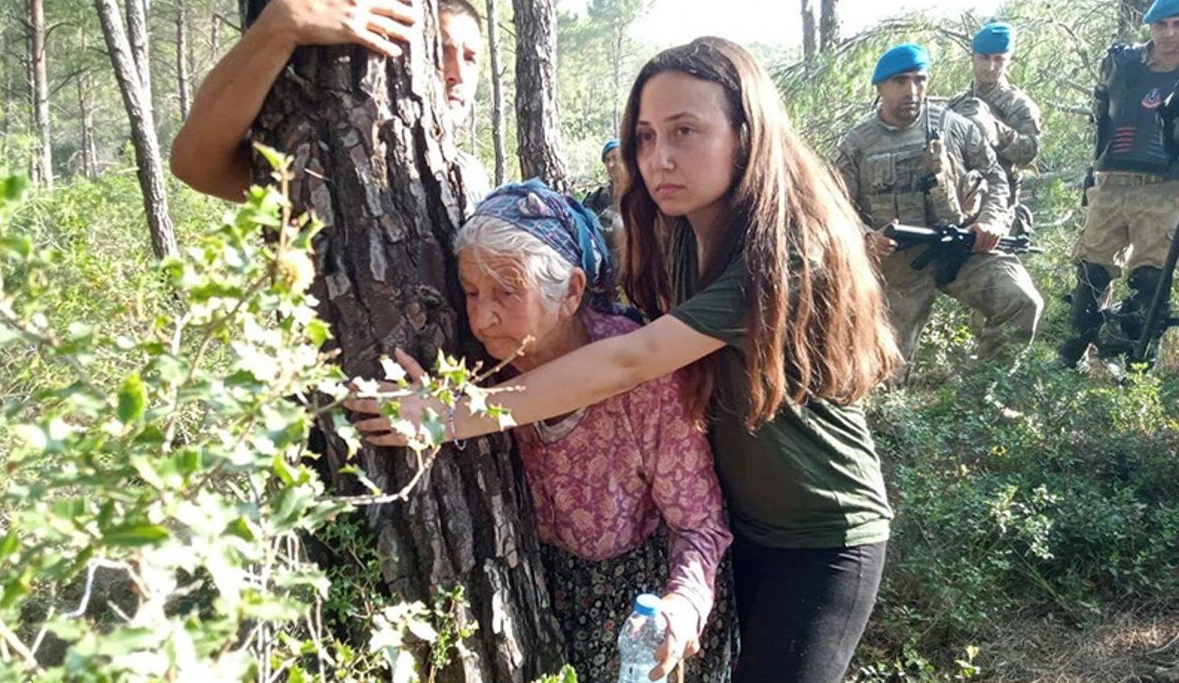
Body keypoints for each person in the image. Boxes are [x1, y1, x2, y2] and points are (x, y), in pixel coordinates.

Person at [350, 36, 902, 683]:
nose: (658, 158)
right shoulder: (681, 234)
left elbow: (630, 361)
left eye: (686, 131)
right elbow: (574, 314)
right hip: (746, 521)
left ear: (746, 135)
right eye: (644, 136)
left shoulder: (780, 252)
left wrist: (453, 414)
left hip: (823, 532)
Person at [396, 180, 736, 680]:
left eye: (507, 291)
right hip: (536, 597)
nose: (483, 318)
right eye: (471, 292)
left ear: (572, 290)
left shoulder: (642, 378)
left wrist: (681, 605)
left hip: (641, 613)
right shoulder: (481, 366)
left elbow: (698, 524)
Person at [169, 0, 490, 207]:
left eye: (471, 57)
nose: (457, 72)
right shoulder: (327, 154)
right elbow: (195, 162)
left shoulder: (473, 179)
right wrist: (280, 26)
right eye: (440, 52)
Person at [834, 43, 1043, 378]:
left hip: (963, 247)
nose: (912, 90)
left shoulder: (956, 127)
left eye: (920, 80)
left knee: (1021, 301)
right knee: (886, 368)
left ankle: (980, 403)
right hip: (899, 261)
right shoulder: (857, 144)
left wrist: (990, 221)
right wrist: (865, 238)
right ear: (880, 87)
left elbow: (995, 177)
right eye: (901, 81)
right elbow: (835, 206)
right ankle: (890, 418)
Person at [1058, 0, 1179, 368]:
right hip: (1111, 181)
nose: (1170, 33)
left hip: (1164, 187)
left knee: (1150, 279)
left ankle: (1135, 367)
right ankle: (1072, 356)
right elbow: (1101, 120)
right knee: (1092, 272)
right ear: (1150, 25)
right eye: (1161, 24)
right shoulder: (1121, 63)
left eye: (1178, 24)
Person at [948, 22, 1043, 218]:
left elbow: (1029, 153)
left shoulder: (1018, 104)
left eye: (999, 59)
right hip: (957, 201)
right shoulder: (958, 103)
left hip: (996, 204)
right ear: (973, 57)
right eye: (984, 58)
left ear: (1008, 60)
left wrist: (997, 131)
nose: (990, 67)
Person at [581, 138, 629, 266]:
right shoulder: (597, 198)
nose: (611, 164)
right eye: (607, 160)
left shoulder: (639, 193)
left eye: (615, 158)